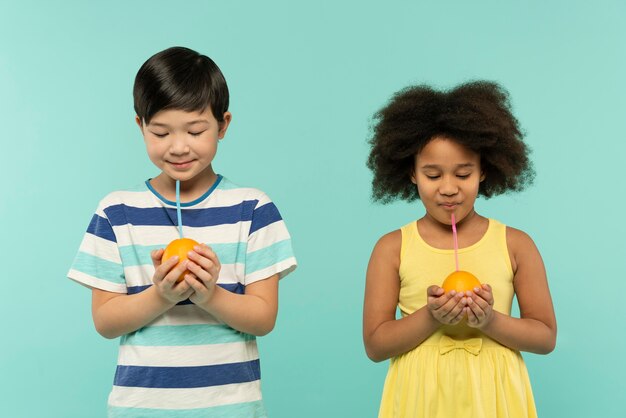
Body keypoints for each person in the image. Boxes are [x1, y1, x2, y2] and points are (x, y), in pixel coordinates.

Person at [68, 46, 297, 417]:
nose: (178, 147)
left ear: (223, 125)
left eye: (195, 131)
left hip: (231, 408)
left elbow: (263, 317)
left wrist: (209, 295)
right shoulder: (115, 212)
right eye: (160, 132)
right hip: (141, 408)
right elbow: (105, 322)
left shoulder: (253, 209)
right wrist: (161, 295)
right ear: (141, 125)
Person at [363, 81, 556, 418]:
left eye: (463, 174)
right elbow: (376, 345)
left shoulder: (516, 244)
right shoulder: (391, 248)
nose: (448, 189)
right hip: (420, 399)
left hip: (495, 398)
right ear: (411, 173)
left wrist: (489, 320)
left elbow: (544, 337)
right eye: (433, 175)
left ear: (484, 170)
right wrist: (431, 316)